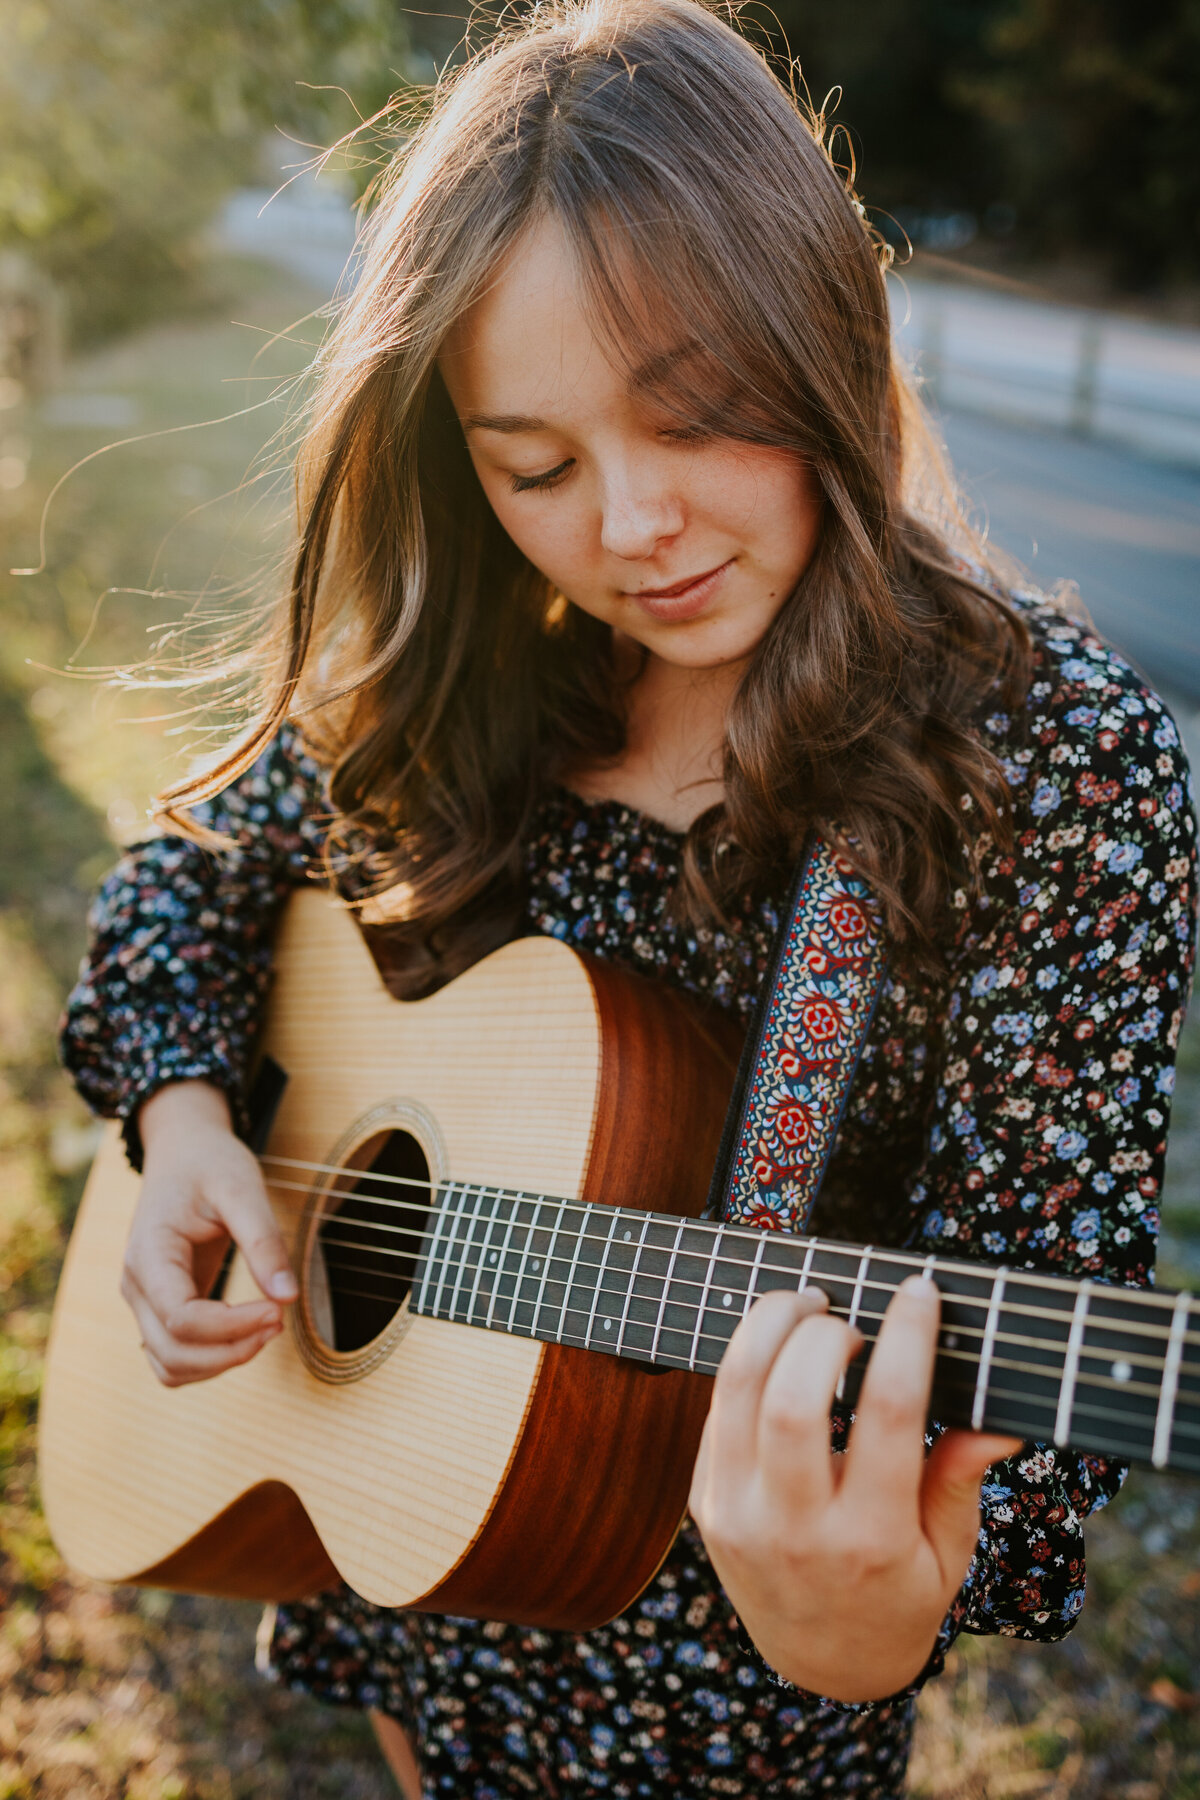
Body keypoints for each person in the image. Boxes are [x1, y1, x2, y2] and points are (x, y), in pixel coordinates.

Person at [60, 0, 1197, 1793]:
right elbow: (187, 880)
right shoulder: (480, 674)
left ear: (816, 331)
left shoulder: (1049, 769)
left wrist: (865, 1624)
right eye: (535, 465)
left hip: (729, 1689)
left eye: (696, 418)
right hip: (412, 1547)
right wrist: (192, 1121)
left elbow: (1028, 1358)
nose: (630, 527)